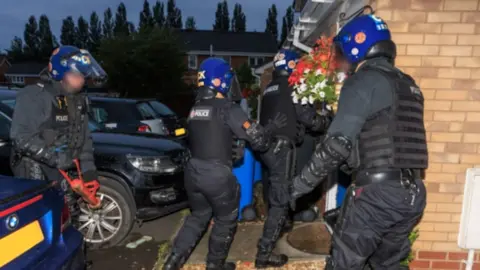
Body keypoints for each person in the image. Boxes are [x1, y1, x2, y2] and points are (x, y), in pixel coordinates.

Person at [289, 14, 428, 269]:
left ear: (357, 46)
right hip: (412, 194)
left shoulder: (363, 81)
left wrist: (298, 186)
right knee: (386, 264)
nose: (342, 59)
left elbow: (337, 145)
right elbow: (383, 136)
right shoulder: (408, 85)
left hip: (376, 196)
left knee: (344, 264)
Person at [163, 58, 287, 270]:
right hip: (216, 175)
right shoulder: (228, 108)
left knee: (198, 217)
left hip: (193, 173)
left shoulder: (194, 109)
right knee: (225, 220)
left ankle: (172, 263)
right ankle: (215, 265)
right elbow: (259, 140)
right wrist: (272, 128)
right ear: (222, 81)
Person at [256, 49, 331, 268]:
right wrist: (327, 122)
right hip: (281, 149)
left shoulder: (269, 88)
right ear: (291, 67)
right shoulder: (293, 86)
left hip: (268, 148)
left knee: (276, 194)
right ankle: (264, 254)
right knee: (281, 201)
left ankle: (281, 224)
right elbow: (307, 118)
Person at [10, 45, 107, 210]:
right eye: (75, 75)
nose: (81, 81)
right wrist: (58, 159)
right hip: (35, 171)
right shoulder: (34, 96)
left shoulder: (77, 100)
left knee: (69, 217)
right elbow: (21, 137)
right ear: (58, 72)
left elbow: (83, 139)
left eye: (83, 76)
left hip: (64, 172)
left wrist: (89, 173)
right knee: (42, 222)